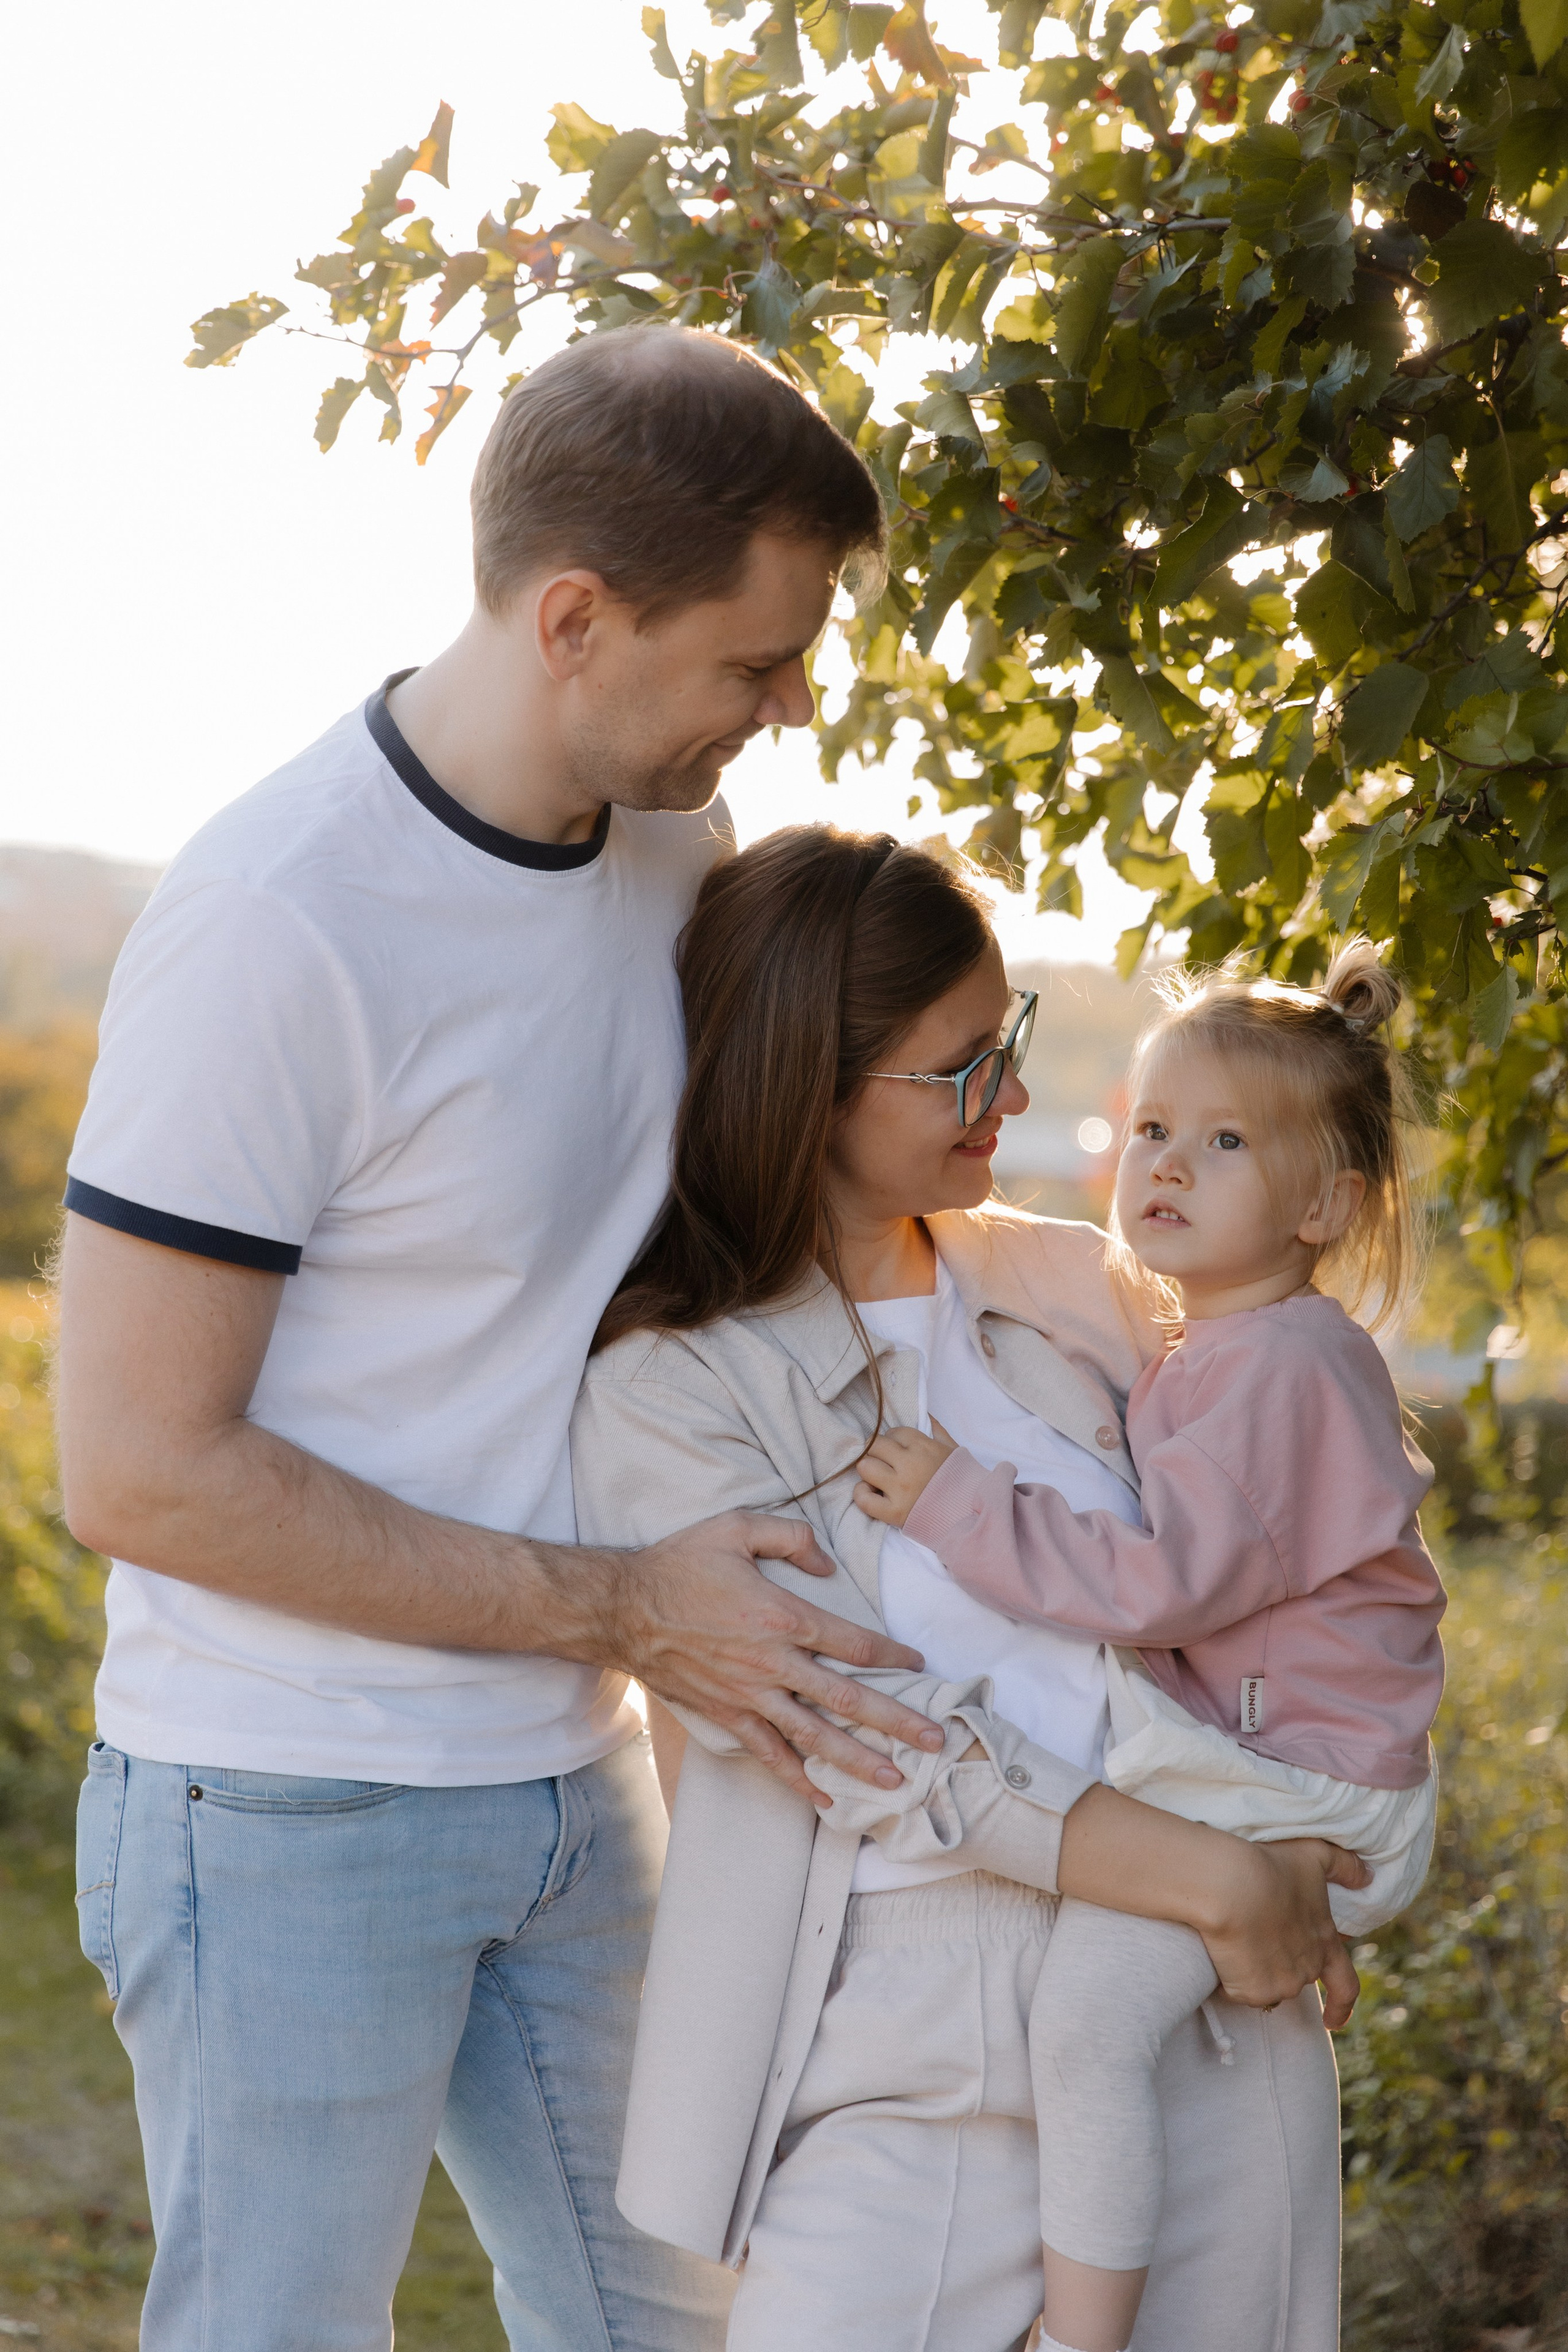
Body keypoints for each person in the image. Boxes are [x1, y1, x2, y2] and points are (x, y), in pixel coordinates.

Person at [55, 327, 952, 2352]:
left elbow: (717, 1245)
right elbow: (135, 1467)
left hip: (574, 1785)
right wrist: (629, 1605)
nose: (791, 705)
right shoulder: (281, 924)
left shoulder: (671, 859)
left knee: (690, 2328)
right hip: (281, 1807)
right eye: (754, 661)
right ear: (574, 618)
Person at [570, 825, 1371, 2352]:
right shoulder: (668, 1387)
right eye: (958, 1068)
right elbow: (851, 1729)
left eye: (1002, 1043)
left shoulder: (1078, 1285)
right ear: (808, 1081)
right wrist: (1207, 1874)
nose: (1006, 1096)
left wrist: (1307, 1824)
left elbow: (1265, 1562)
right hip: (900, 2028)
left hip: (1201, 1998)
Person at [855, 945, 1445, 2352]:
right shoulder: (1225, 1341)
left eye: (1225, 1142)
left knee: (1086, 2024)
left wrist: (954, 1501)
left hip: (1296, 1783)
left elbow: (1152, 1581)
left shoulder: (1276, 1370)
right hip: (1293, 1766)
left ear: (1325, 1204)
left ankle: (1079, 2338)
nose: (1165, 1164)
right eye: (1152, 1128)